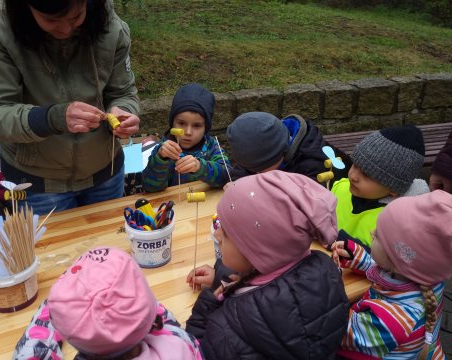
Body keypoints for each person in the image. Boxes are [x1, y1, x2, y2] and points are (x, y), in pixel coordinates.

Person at [0, 0, 140, 215]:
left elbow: (123, 92)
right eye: (51, 20)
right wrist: (52, 119)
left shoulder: (107, 21)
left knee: (109, 247)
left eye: (75, 17)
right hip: (36, 184)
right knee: (49, 250)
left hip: (106, 173)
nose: (65, 29)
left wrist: (123, 111)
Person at [185, 171, 349, 359]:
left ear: (256, 250)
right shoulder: (325, 269)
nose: (217, 235)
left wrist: (207, 305)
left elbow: (194, 350)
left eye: (227, 233)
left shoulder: (226, 330)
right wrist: (224, 278)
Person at [13, 247, 203, 359]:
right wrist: (135, 298)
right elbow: (164, 322)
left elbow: (31, 350)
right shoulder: (180, 347)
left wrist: (62, 301)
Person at [333, 191, 452, 359]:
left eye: (380, 235)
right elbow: (393, 272)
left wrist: (324, 285)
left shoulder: (392, 320)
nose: (372, 232)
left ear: (398, 261)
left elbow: (336, 330)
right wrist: (363, 260)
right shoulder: (429, 279)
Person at [331, 124, 429, 250]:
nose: (353, 176)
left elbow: (386, 263)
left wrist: (344, 242)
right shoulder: (340, 187)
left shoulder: (397, 223)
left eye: (366, 175)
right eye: (355, 165)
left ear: (393, 189)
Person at [141, 83, 231, 192]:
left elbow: (227, 177)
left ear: (206, 128)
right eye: (181, 123)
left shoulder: (211, 147)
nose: (188, 132)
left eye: (197, 126)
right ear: (172, 123)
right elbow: (150, 188)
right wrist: (161, 159)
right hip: (174, 206)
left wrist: (200, 167)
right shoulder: (163, 150)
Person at [226, 111, 349, 182]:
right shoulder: (265, 149)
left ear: (279, 153)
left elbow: (298, 209)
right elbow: (241, 171)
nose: (257, 173)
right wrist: (237, 183)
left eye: (260, 170)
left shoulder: (313, 167)